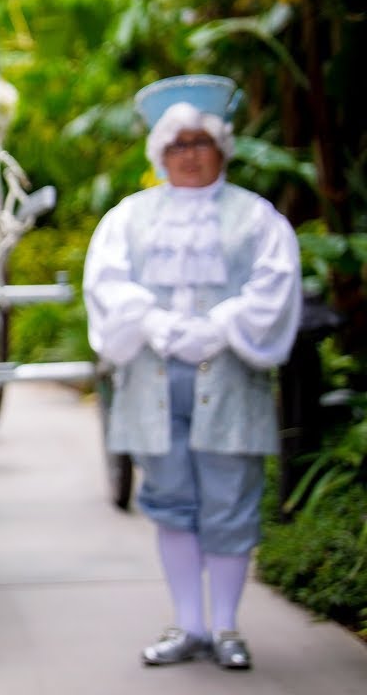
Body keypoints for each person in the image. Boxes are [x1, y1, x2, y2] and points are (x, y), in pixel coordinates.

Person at [83, 75, 302, 671]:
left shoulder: (257, 219)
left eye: (199, 143)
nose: (188, 154)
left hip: (230, 383)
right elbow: (106, 282)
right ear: (160, 153)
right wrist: (152, 323)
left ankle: (228, 626)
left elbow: (275, 285)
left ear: (221, 148)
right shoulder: (128, 218)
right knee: (170, 496)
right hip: (153, 384)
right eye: (176, 145)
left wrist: (225, 323)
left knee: (230, 499)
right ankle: (191, 623)